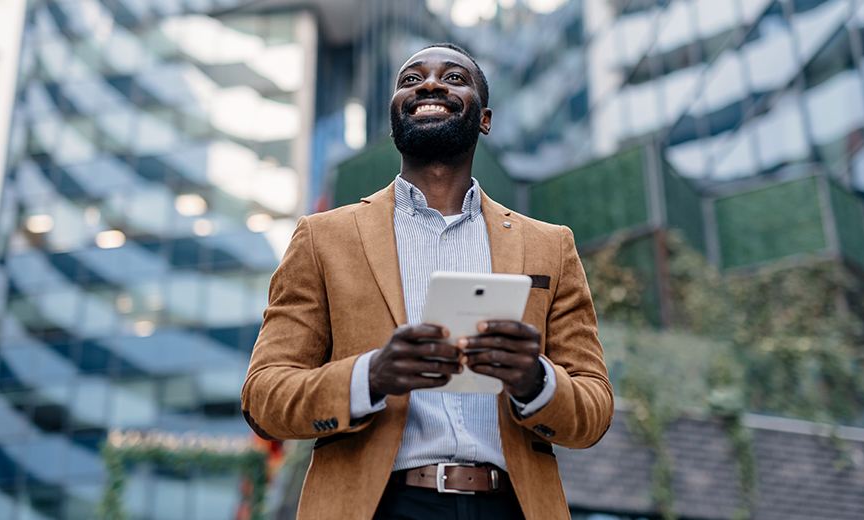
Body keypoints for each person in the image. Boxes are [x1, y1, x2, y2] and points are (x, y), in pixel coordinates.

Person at [240, 42, 613, 520]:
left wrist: (533, 379)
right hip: (379, 506)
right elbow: (263, 397)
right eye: (411, 79)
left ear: (485, 119)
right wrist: (371, 376)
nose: (431, 84)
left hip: (512, 506)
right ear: (395, 116)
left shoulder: (550, 245)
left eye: (455, 78)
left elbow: (595, 407)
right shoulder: (322, 238)